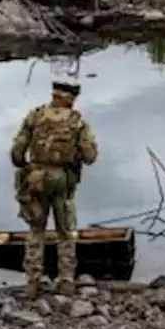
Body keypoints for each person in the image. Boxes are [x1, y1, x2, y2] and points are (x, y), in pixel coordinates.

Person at [10, 79, 98, 298]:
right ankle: (66, 281)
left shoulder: (35, 117)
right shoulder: (78, 123)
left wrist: (27, 167)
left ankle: (33, 283)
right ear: (72, 98)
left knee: (35, 231)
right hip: (64, 181)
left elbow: (16, 152)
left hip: (36, 178)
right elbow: (90, 157)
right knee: (65, 232)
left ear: (53, 95)